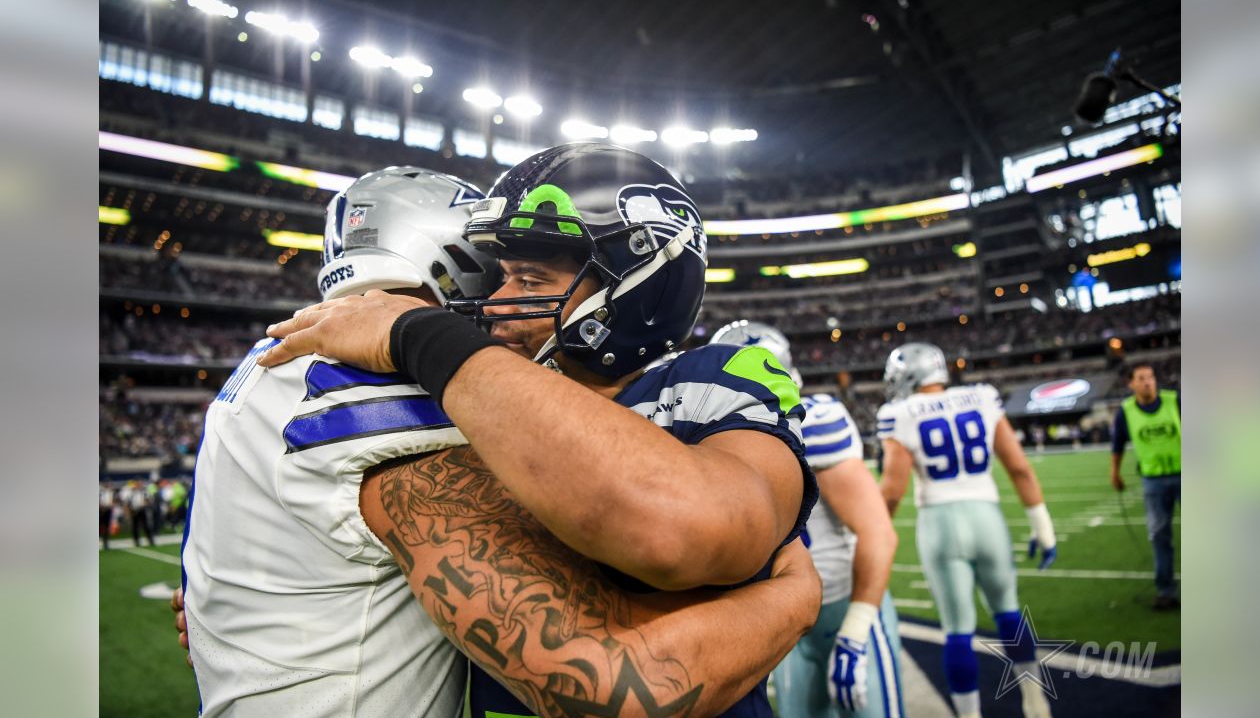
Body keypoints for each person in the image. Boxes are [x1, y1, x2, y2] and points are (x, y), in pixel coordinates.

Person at [179, 163, 819, 718]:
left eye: (528, 280)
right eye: (494, 276)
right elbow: (623, 681)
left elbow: (684, 524)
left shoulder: (717, 376)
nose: (493, 303)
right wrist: (793, 596)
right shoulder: (397, 387)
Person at [710, 321, 904, 718]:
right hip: (782, 620)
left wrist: (856, 630)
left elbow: (878, 533)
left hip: (842, 610)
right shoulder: (707, 435)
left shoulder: (813, 419)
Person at [876, 343, 1058, 718]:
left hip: (940, 523)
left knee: (957, 630)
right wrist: (1044, 528)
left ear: (909, 376)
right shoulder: (981, 396)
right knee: (1009, 612)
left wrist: (873, 536)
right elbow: (1020, 467)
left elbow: (892, 491)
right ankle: (1036, 703)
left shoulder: (900, 412)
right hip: (986, 517)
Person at [1110, 362, 1181, 609]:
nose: (1148, 381)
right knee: (1159, 536)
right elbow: (1117, 445)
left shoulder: (1175, 401)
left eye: (1150, 376)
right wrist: (1115, 473)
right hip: (1153, 481)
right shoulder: (1125, 411)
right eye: (1141, 378)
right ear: (1131, 384)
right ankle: (1166, 591)